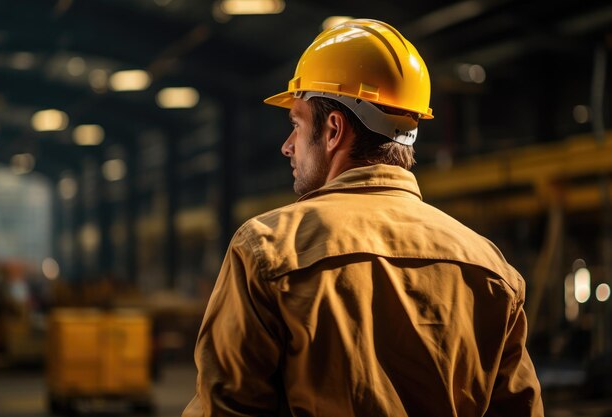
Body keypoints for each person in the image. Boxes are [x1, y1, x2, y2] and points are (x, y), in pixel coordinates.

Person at [182, 18, 544, 417]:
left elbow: (226, 409)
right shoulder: (490, 269)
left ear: (334, 130)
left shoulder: (267, 249)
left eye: (297, 125)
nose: (288, 146)